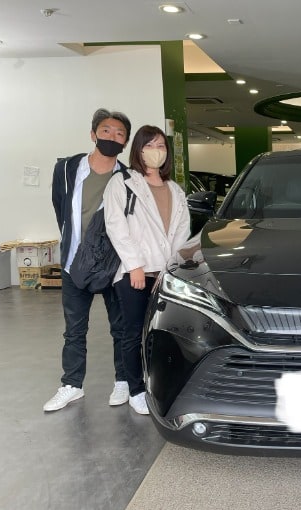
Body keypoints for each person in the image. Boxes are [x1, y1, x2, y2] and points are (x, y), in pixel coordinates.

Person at [45, 108, 132, 412]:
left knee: (120, 328)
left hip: (113, 266)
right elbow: (60, 207)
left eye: (120, 134)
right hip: (73, 263)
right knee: (74, 329)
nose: (112, 137)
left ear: (125, 143)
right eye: (106, 131)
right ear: (93, 134)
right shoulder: (68, 168)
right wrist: (74, 243)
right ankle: (72, 385)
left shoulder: (128, 177)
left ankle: (123, 381)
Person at [103, 125, 190, 415]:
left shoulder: (175, 189)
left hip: (163, 274)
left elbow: (181, 233)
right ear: (138, 150)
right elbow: (117, 226)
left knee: (160, 333)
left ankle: (158, 384)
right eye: (150, 145)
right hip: (134, 273)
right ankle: (135, 388)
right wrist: (135, 267)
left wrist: (168, 271)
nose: (157, 151)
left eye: (162, 146)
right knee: (132, 332)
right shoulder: (123, 183)